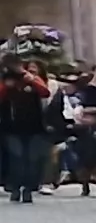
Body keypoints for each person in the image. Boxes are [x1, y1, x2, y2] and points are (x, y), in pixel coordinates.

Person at [0, 62, 49, 203]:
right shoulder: (7, 85)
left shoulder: (33, 82)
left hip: (34, 128)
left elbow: (45, 92)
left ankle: (28, 190)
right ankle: (15, 189)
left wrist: (32, 79)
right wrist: (6, 85)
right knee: (17, 160)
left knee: (31, 160)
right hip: (12, 129)